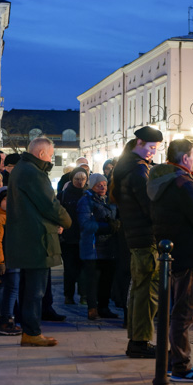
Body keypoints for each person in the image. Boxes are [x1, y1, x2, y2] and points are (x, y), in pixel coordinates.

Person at [147, 139, 193, 383]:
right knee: (185, 311)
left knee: (175, 308)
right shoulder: (183, 182)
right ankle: (181, 365)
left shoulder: (162, 179)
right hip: (188, 250)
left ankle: (170, 361)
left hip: (171, 248)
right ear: (184, 158)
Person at [5, 137, 72, 347]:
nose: (51, 158)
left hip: (28, 237)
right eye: (51, 155)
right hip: (37, 239)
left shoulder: (21, 169)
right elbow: (49, 204)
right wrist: (67, 221)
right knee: (36, 290)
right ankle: (32, 332)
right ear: (42, 154)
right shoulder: (33, 172)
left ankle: (29, 330)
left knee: (29, 288)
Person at [111, 126, 162, 358]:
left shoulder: (126, 167)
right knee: (146, 292)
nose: (153, 152)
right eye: (151, 147)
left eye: (156, 149)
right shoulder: (138, 171)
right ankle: (140, 341)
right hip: (144, 237)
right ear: (139, 143)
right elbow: (150, 207)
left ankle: (137, 339)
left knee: (140, 289)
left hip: (134, 236)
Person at [77, 173, 120, 321]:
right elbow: (85, 224)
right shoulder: (85, 201)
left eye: (104, 184)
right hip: (92, 247)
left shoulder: (109, 200)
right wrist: (107, 226)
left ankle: (104, 306)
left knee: (106, 279)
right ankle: (92, 308)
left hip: (108, 247)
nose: (102, 187)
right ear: (92, 186)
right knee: (92, 280)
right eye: (98, 184)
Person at [0, 187, 20, 335]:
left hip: (12, 260)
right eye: (6, 199)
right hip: (7, 261)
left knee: (5, 289)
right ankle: (5, 320)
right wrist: (0, 262)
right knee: (9, 289)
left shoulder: (11, 217)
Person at [59, 167, 88, 306]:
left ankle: (84, 294)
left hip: (85, 237)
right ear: (72, 179)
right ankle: (68, 295)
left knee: (84, 269)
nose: (80, 182)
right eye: (77, 179)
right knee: (70, 269)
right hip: (69, 238)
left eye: (83, 179)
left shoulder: (88, 194)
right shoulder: (64, 195)